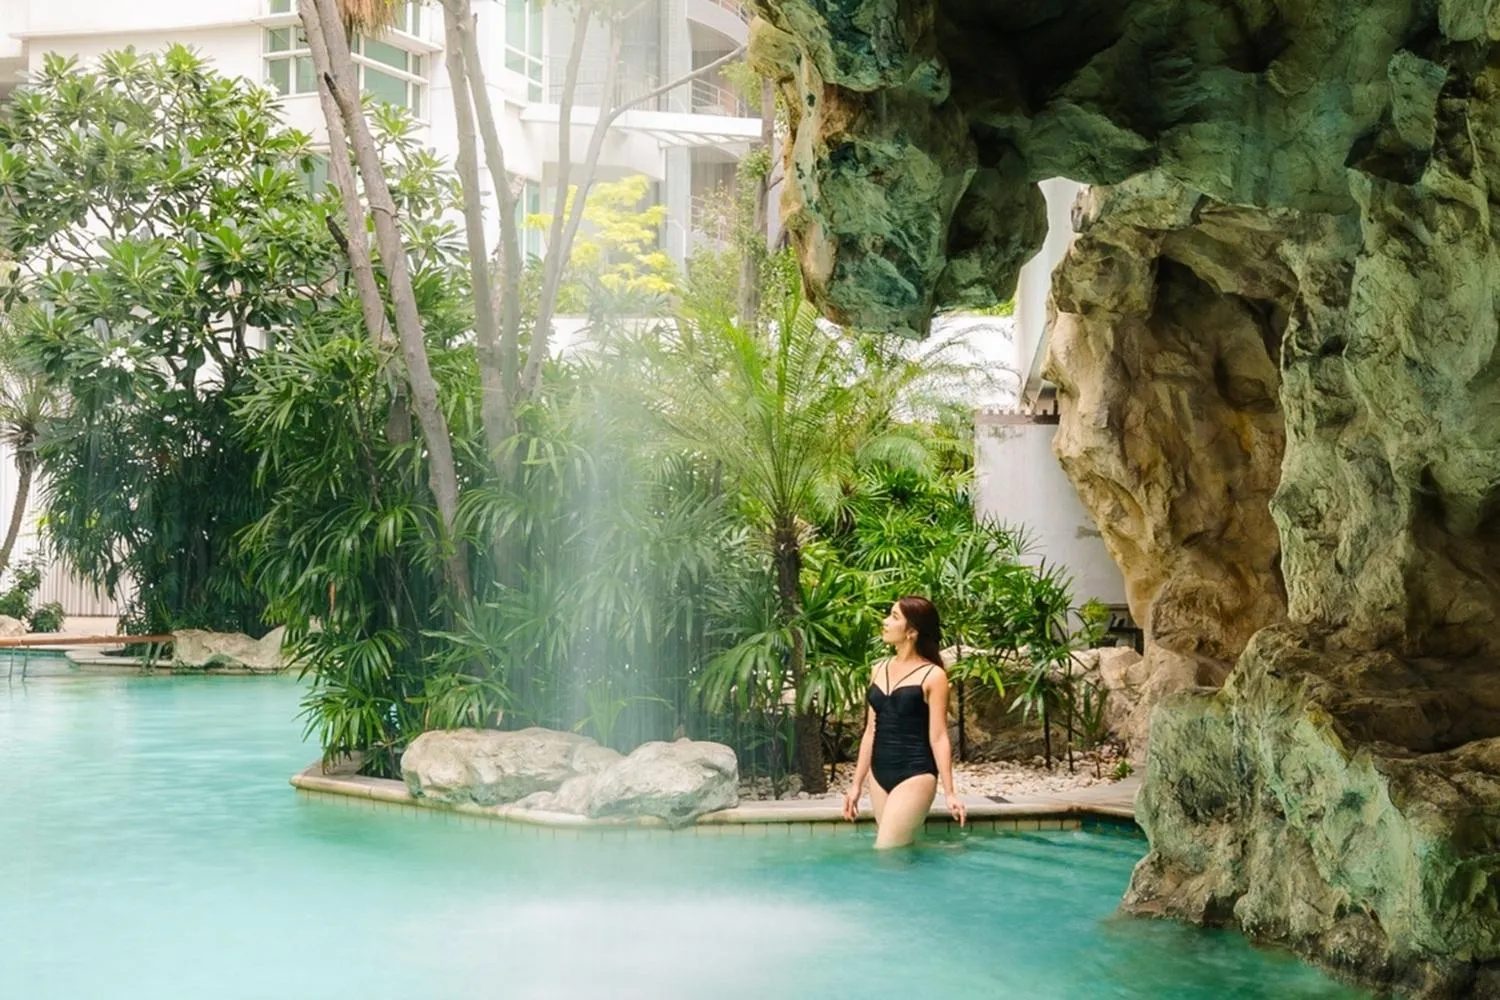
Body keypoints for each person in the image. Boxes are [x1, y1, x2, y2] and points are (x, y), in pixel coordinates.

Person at [841, 595, 966, 847]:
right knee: (898, 851)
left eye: (894, 617)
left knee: (885, 849)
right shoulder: (878, 669)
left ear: (911, 631)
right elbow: (870, 731)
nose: (885, 621)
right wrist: (856, 785)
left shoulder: (933, 676)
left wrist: (950, 792)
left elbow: (939, 737)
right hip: (879, 773)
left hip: (915, 773)